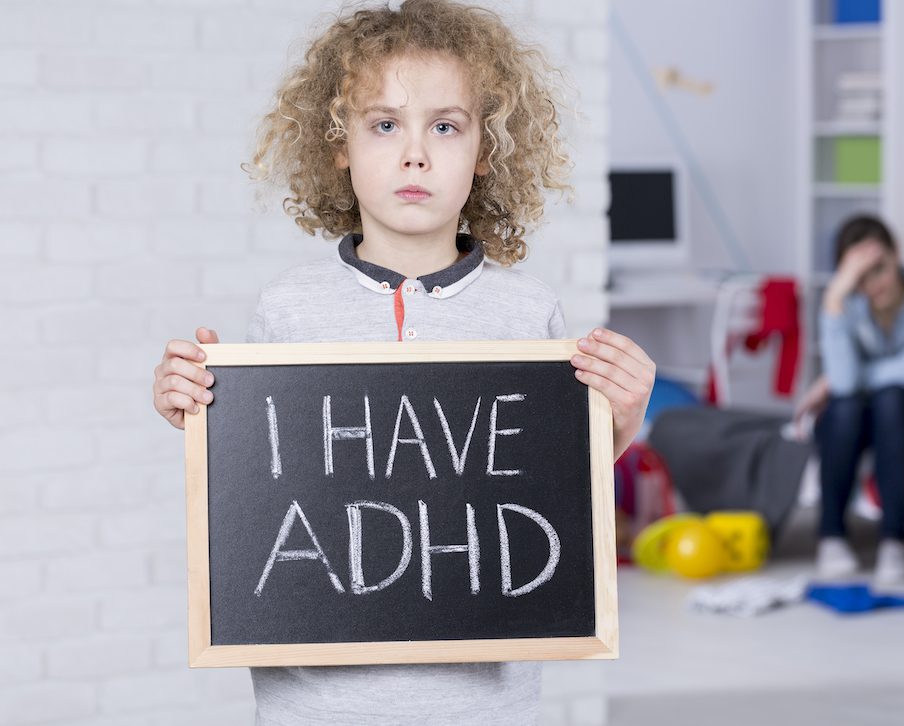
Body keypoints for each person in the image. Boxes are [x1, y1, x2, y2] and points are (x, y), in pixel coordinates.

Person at [150, 1, 655, 723]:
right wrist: (192, 403)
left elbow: (546, 495)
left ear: (485, 151)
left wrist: (621, 417)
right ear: (338, 145)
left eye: (444, 126)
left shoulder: (527, 316)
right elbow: (262, 485)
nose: (414, 153)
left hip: (481, 704)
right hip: (315, 704)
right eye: (384, 124)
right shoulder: (287, 311)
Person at [795, 215, 904, 582]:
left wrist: (830, 380)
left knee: (892, 397)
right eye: (859, 276)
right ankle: (831, 537)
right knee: (846, 407)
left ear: (897, 255)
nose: (873, 284)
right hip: (864, 418)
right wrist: (835, 297)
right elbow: (847, 386)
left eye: (879, 269)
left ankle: (893, 541)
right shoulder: (846, 303)